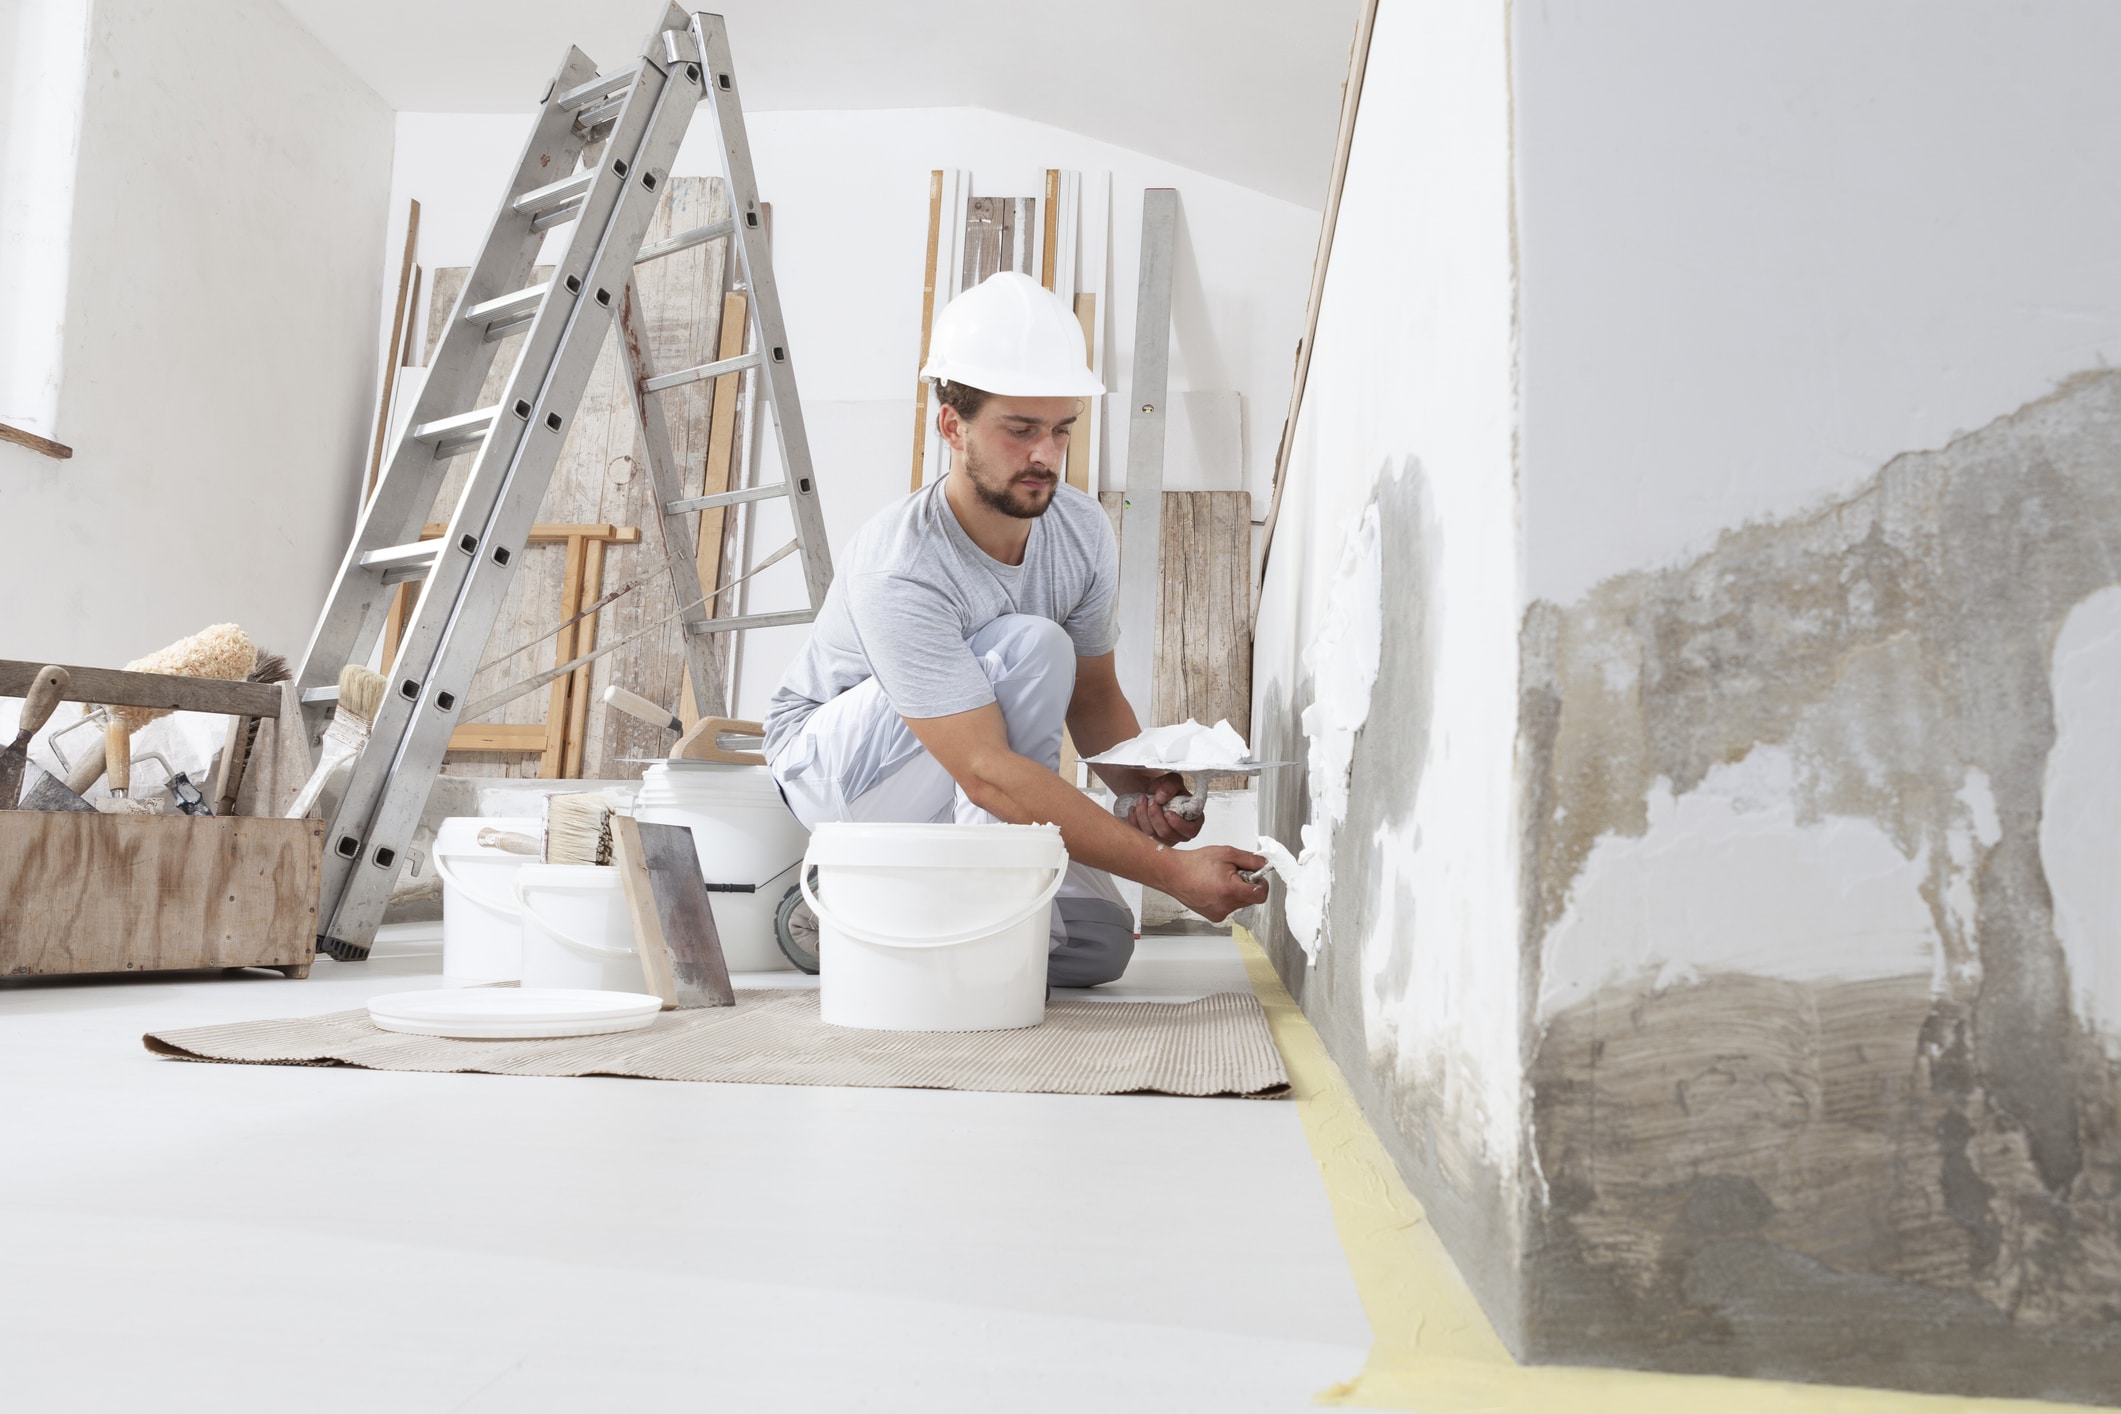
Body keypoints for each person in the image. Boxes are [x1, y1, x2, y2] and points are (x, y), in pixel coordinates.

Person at [764, 271, 1269, 987]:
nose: (1045, 455)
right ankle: (906, 892)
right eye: (1020, 430)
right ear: (952, 426)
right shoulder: (899, 562)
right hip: (836, 774)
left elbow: (1093, 697)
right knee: (1031, 645)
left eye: (1061, 430)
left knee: (1097, 948)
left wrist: (1142, 792)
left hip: (973, 772)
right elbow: (985, 771)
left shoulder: (1080, 530)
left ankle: (906, 904)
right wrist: (1170, 872)